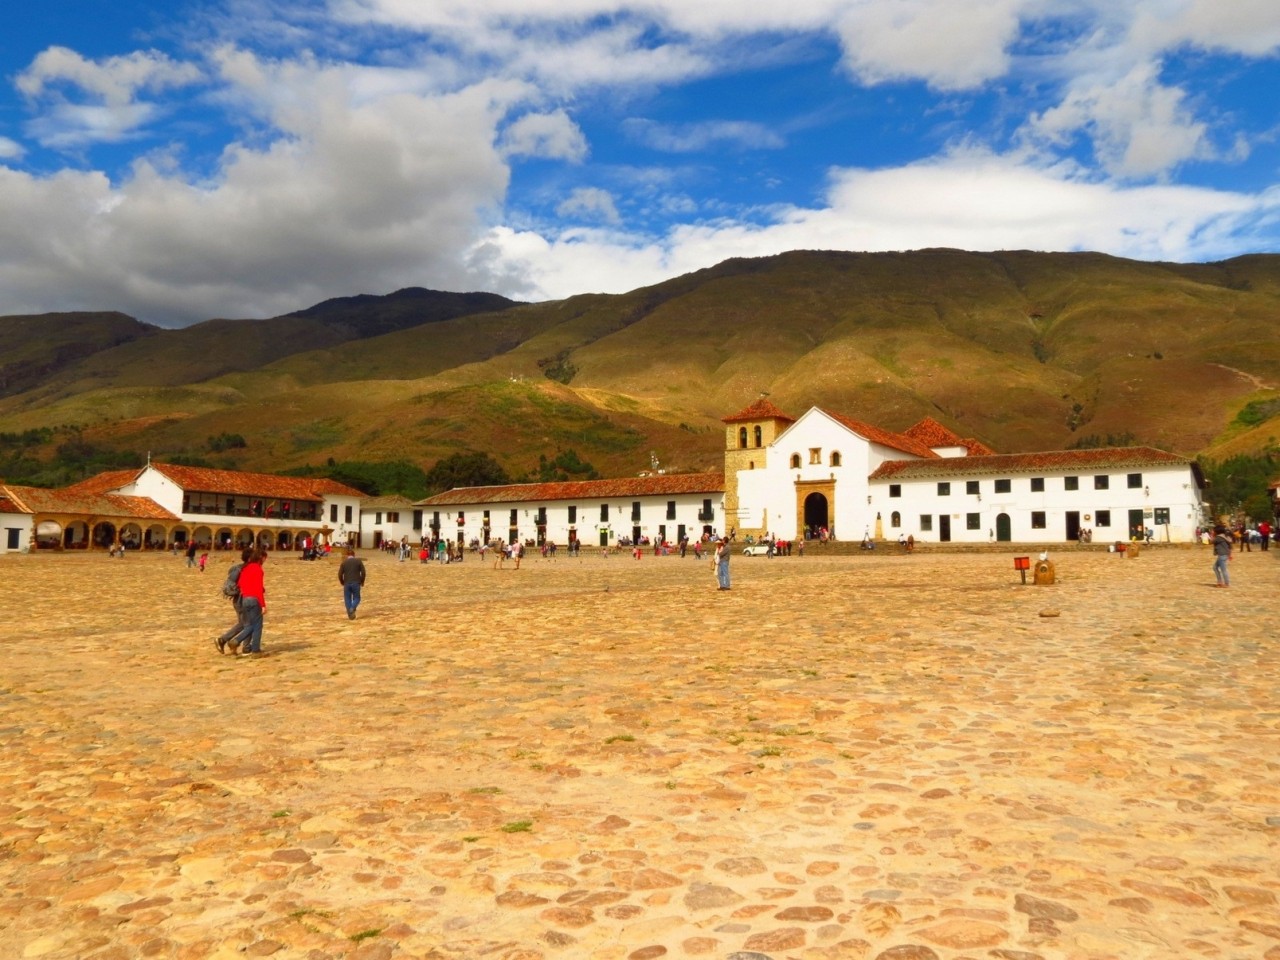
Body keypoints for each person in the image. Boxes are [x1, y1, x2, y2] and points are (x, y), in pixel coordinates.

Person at [227, 548, 267, 656]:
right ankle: (255, 650)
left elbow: (240, 584)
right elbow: (258, 588)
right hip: (254, 600)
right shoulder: (258, 569)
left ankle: (235, 641)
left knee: (249, 625)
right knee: (257, 625)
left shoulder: (245, 568)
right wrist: (263, 605)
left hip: (245, 599)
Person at [216, 546, 253, 654]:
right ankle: (245, 647)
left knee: (243, 623)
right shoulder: (246, 569)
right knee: (249, 624)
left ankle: (223, 640)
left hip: (237, 600)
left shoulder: (237, 567)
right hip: (243, 599)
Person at [338, 546, 367, 620]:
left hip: (347, 583)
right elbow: (363, 572)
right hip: (356, 582)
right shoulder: (358, 561)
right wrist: (362, 581)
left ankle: (350, 615)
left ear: (347, 555)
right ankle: (352, 607)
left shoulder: (344, 563)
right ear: (354, 555)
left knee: (347, 598)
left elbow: (340, 574)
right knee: (357, 598)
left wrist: (342, 581)